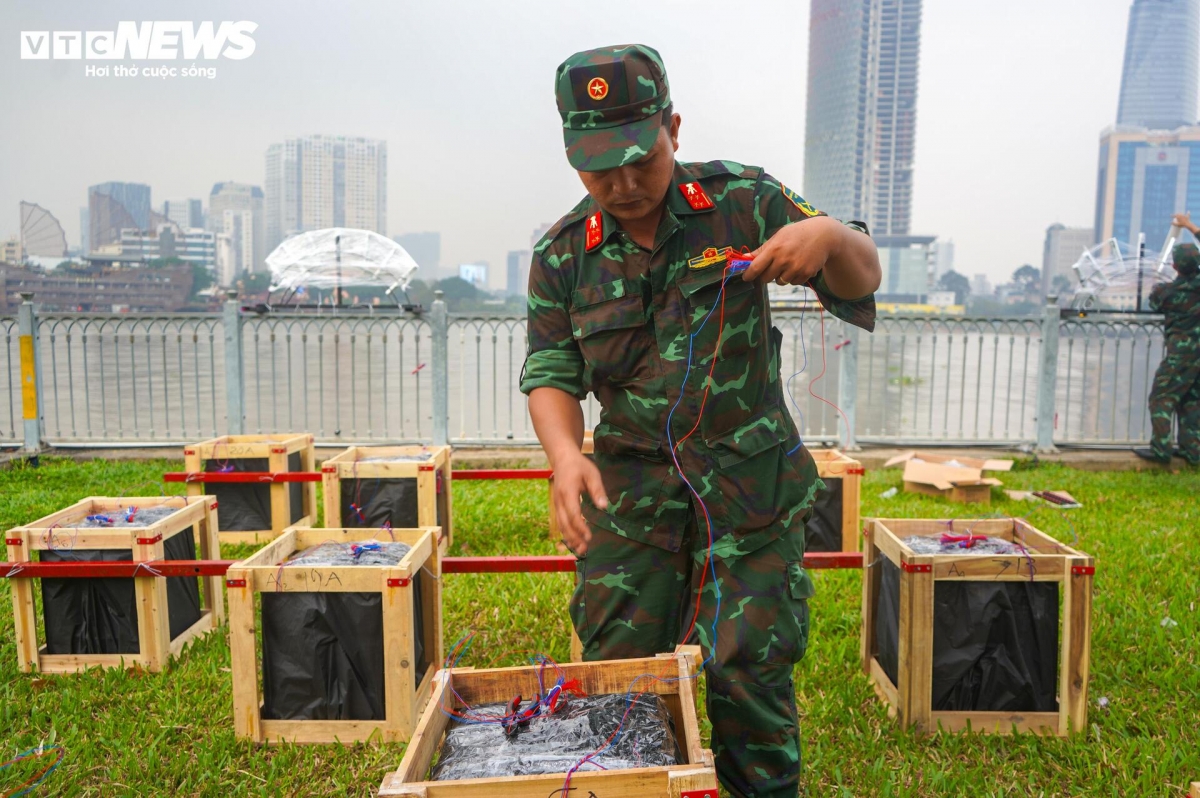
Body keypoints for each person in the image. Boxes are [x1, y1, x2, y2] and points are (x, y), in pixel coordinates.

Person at [520, 44, 880, 798]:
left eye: (638, 160)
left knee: (747, 671)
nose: (621, 184)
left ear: (672, 129)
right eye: (596, 168)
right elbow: (552, 369)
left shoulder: (742, 200)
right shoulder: (563, 255)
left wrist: (834, 236)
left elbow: (862, 274)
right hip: (631, 500)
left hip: (749, 491)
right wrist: (564, 454)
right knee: (621, 676)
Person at [1135, 213, 1200, 465]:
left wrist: (1156, 280)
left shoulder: (1167, 292)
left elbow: (1153, 301)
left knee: (1161, 398)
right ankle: (1192, 452)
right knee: (1191, 401)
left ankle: (1161, 451)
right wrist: (1190, 227)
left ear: (1174, 267)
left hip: (1181, 355)